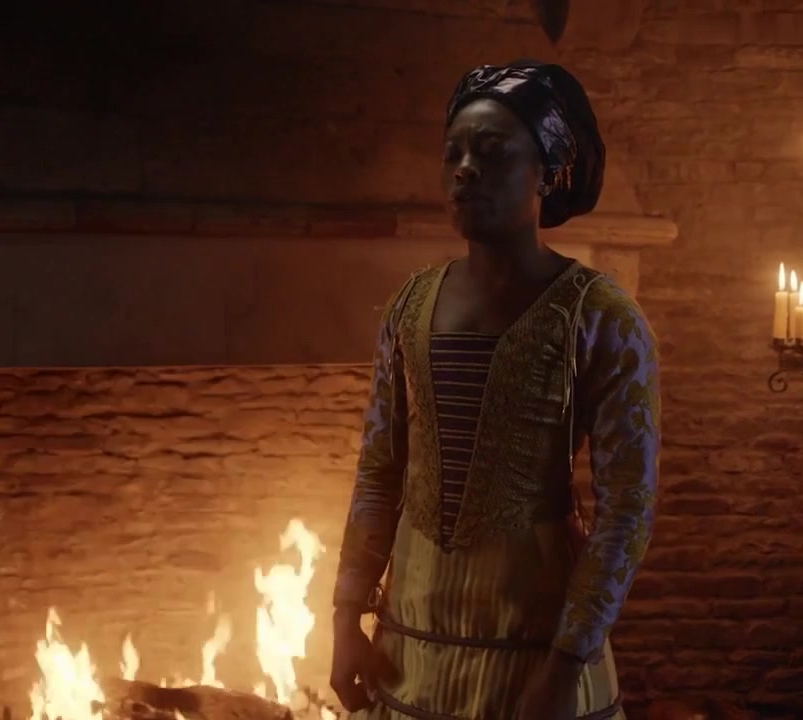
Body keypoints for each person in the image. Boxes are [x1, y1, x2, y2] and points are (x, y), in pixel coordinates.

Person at [329, 59, 661, 720]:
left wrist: (566, 664)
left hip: (536, 642)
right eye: (452, 152)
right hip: (410, 646)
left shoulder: (600, 315)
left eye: (491, 151)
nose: (464, 168)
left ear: (546, 171)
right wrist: (345, 618)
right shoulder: (410, 306)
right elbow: (379, 472)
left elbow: (628, 506)